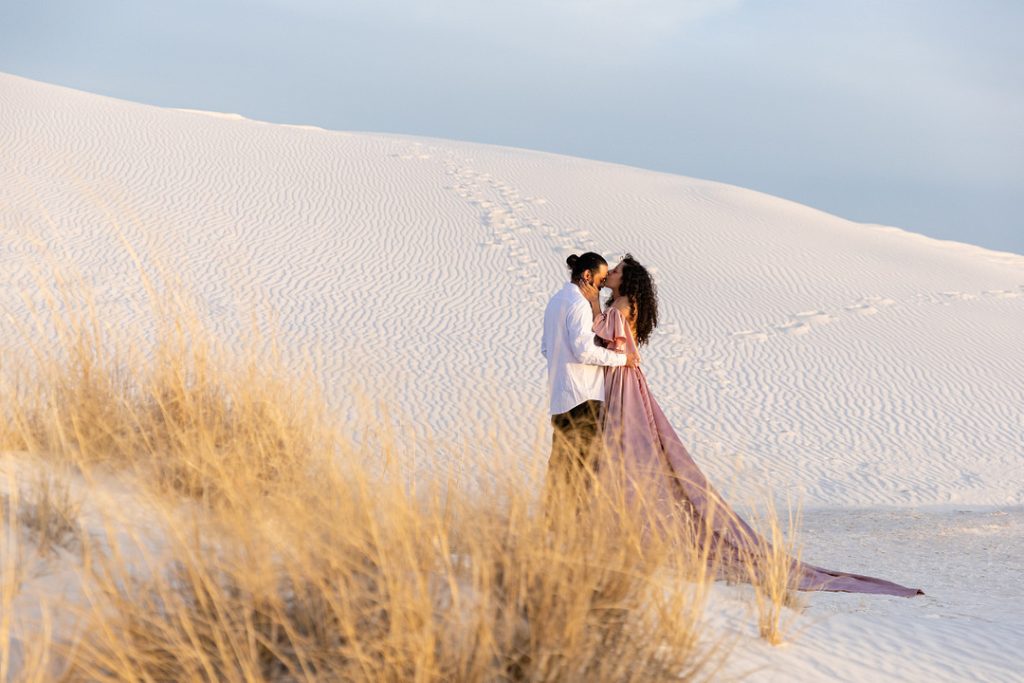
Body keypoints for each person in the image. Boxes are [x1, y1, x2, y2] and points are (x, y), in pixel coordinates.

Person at [592, 253, 924, 597]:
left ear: (627, 281)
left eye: (616, 271)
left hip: (623, 378)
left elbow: (597, 333)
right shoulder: (622, 303)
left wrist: (589, 299)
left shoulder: (622, 304)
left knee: (633, 446)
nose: (611, 274)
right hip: (623, 376)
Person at [541, 252, 640, 507]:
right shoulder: (579, 304)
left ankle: (552, 524)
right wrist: (622, 360)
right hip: (584, 396)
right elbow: (584, 351)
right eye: (601, 277)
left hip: (560, 396)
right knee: (584, 467)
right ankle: (576, 528)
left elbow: (545, 349)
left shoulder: (555, 301)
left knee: (561, 463)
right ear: (587, 276)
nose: (603, 282)